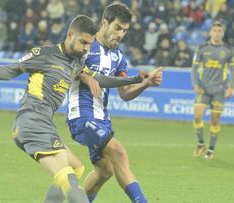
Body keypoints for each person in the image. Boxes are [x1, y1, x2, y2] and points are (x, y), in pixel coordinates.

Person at [0, 15, 148, 203]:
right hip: (31, 121)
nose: (85, 49)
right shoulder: (44, 55)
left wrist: (134, 79)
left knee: (76, 168)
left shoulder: (76, 62)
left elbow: (100, 79)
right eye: (82, 42)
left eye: (89, 44)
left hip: (44, 124)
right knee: (68, 178)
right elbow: (8, 71)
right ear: (70, 35)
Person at [66, 3, 162, 203]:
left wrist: (146, 83)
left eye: (125, 31)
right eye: (117, 28)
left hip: (102, 118)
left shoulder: (118, 57)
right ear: (104, 23)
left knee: (105, 170)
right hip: (82, 115)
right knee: (118, 152)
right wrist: (85, 77)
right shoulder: (85, 43)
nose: (120, 34)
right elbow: (68, 66)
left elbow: (125, 94)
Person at [191, 20, 234, 160]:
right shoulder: (202, 48)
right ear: (210, 32)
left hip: (219, 90)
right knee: (197, 116)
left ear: (222, 33)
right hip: (203, 88)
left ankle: (211, 149)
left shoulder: (229, 50)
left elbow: (233, 70)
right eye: (214, 31)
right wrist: (195, 84)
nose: (217, 33)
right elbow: (194, 68)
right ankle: (200, 144)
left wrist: (230, 87)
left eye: (219, 31)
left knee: (215, 120)